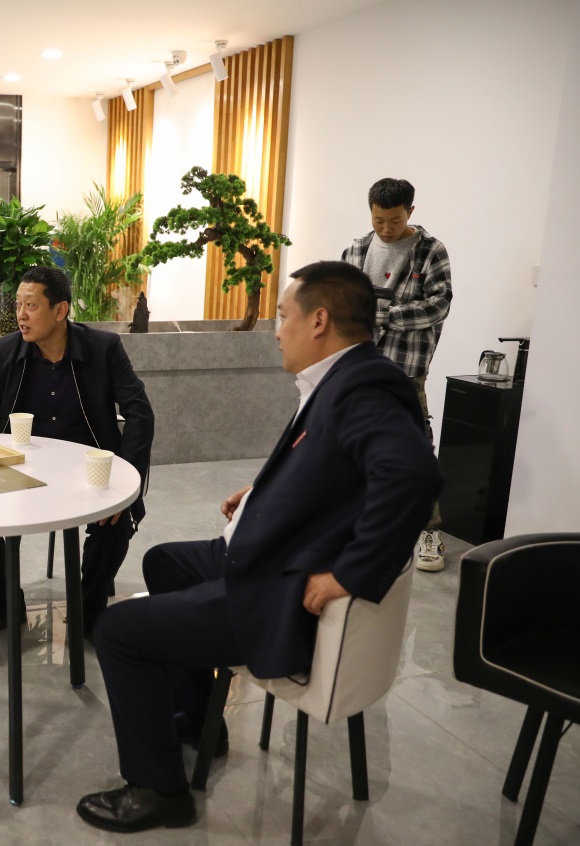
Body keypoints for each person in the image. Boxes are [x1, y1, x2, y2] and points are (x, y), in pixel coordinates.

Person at [75, 261, 442, 833]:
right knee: (164, 562)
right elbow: (334, 471)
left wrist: (350, 573)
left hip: (272, 588)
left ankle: (159, 790)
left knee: (119, 632)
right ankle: (198, 719)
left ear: (319, 321)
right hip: (261, 554)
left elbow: (414, 475)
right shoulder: (342, 379)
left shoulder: (364, 389)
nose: (276, 330)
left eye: (283, 315)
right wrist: (262, 493)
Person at [0, 266, 153, 640]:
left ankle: (89, 611)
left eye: (31, 305)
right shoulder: (6, 350)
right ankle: (3, 605)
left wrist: (128, 478)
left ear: (60, 310)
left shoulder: (103, 349)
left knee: (114, 524)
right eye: (18, 305)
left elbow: (140, 412)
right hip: (21, 468)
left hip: (90, 471)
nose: (21, 315)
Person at [342, 177, 452, 571]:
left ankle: (428, 532)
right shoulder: (356, 250)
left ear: (410, 212)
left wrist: (383, 314)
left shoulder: (430, 251)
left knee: (415, 446)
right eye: (378, 220)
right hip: (358, 365)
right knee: (350, 442)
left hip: (406, 368)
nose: (386, 229)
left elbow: (438, 305)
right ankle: (353, 524)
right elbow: (342, 303)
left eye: (394, 220)